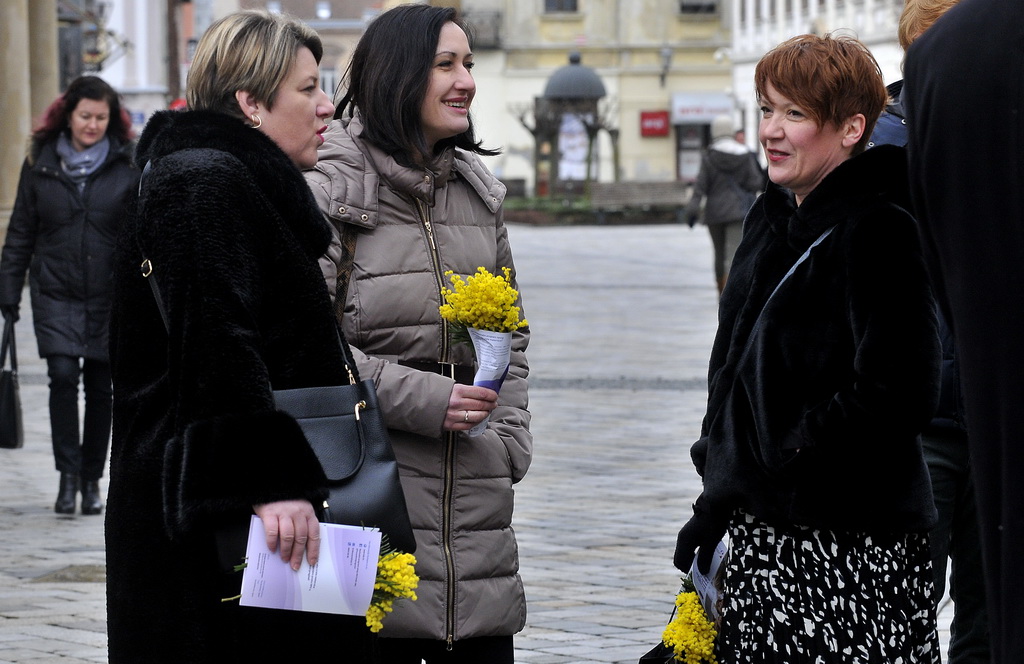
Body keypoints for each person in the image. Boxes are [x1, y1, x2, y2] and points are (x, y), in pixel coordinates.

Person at [106, 11, 376, 662]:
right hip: (226, 516)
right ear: (250, 103)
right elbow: (215, 338)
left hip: (247, 506)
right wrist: (269, 481)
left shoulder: (226, 179)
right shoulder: (202, 180)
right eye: (308, 89)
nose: (326, 107)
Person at [673, 34, 942, 662]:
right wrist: (717, 493)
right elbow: (734, 370)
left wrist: (790, 450)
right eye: (767, 109)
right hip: (761, 537)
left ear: (851, 129)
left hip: (849, 546)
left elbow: (902, 391)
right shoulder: (769, 217)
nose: (771, 130)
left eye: (795, 114)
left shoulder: (879, 227)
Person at [304, 5, 532, 662]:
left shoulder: (478, 195)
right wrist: (427, 400)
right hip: (360, 499)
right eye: (446, 65)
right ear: (397, 75)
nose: (467, 81)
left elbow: (510, 335)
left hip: (476, 516)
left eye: (469, 64)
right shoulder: (326, 190)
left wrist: (509, 440)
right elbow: (301, 347)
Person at [869, 2, 990, 662]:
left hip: (994, 416)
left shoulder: (996, 125)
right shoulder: (882, 146)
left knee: (991, 614)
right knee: (906, 608)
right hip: (924, 422)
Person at [903, 1, 1024, 661]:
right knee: (919, 599)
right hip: (936, 416)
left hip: (974, 402)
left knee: (981, 610)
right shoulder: (885, 146)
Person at [0, 76, 137, 516]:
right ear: (68, 115)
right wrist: (8, 293)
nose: (92, 125)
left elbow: (139, 234)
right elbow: (21, 231)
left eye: (101, 117)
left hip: (108, 296)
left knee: (101, 389)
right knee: (61, 378)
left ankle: (92, 480)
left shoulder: (127, 163)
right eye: (85, 116)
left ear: (111, 119)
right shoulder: (39, 161)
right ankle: (67, 476)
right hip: (55, 291)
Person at [683, 114, 764, 295]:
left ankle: (721, 293)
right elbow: (755, 183)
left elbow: (700, 187)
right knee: (733, 253)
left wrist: (692, 211)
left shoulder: (709, 156)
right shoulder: (744, 154)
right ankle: (731, 296)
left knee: (719, 255)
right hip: (738, 211)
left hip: (715, 213)